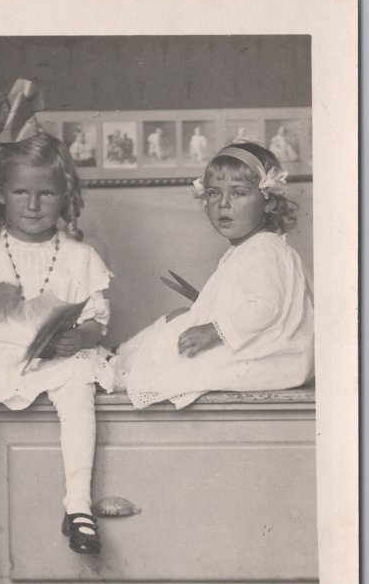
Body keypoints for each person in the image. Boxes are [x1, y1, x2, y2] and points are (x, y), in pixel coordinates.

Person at [0, 128, 115, 564]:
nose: (33, 205)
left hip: (50, 359)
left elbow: (97, 321)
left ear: (65, 196)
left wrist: (78, 337)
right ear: (0, 195)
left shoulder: (79, 257)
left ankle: (78, 505)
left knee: (79, 385)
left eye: (46, 193)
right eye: (21, 192)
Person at [111, 142, 314, 409]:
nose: (224, 204)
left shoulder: (263, 249)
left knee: (178, 357)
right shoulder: (249, 248)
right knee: (177, 322)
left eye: (238, 193)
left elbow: (263, 307)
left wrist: (215, 329)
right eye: (214, 193)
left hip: (267, 354)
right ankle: (121, 359)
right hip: (256, 343)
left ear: (269, 201)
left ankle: (120, 364)